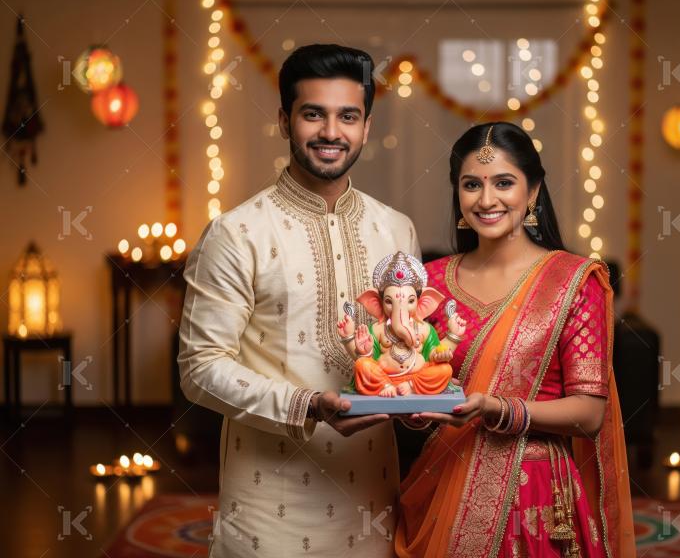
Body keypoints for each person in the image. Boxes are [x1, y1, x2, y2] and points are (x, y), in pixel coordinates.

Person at [178, 44, 420, 557]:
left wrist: (421, 401)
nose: (332, 132)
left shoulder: (396, 229)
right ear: (285, 120)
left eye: (348, 116)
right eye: (314, 114)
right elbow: (199, 369)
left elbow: (405, 353)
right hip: (269, 516)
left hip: (373, 504)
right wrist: (306, 404)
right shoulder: (235, 233)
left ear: (367, 128)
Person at [394, 122, 635, 557]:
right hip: (443, 482)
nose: (486, 200)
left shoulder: (574, 282)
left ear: (534, 191)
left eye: (504, 183)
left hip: (537, 498)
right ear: (458, 195)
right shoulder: (428, 285)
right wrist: (409, 410)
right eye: (472, 185)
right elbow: (419, 385)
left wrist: (498, 409)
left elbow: (589, 413)